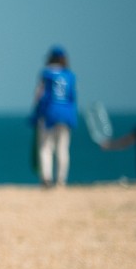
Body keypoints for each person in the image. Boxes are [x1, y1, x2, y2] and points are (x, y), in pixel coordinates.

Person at [31, 46, 78, 187]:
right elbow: (73, 97)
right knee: (62, 148)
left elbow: (39, 94)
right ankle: (61, 180)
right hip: (66, 115)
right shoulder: (69, 75)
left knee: (46, 147)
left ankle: (46, 178)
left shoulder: (47, 74)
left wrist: (36, 114)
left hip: (49, 114)